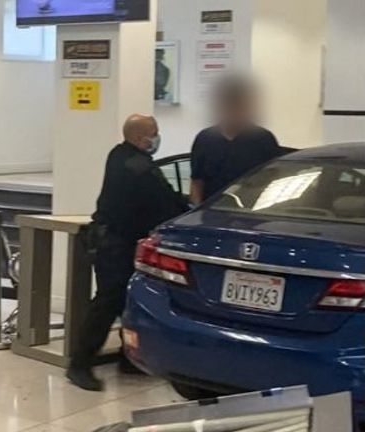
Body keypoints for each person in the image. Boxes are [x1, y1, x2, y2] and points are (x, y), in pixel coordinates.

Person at [67, 114, 188, 392]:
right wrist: (190, 211)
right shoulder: (139, 167)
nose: (158, 137)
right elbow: (165, 202)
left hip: (113, 241)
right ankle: (80, 363)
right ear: (138, 137)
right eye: (154, 133)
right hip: (117, 246)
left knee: (128, 302)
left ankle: (129, 359)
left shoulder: (118, 154)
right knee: (108, 302)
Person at [190, 75, 281, 205]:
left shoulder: (263, 139)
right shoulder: (205, 139)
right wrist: (196, 212)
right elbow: (197, 182)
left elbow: (274, 180)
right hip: (213, 211)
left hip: (251, 211)